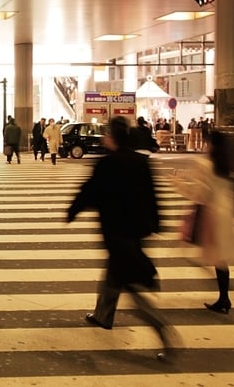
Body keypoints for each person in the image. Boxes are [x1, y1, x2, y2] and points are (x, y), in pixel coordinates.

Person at [67, 116, 178, 360]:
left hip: (117, 232)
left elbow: (90, 191)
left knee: (131, 286)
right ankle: (102, 316)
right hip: (136, 230)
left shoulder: (107, 163)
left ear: (112, 137)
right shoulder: (140, 161)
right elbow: (152, 195)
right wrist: (156, 223)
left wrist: (72, 211)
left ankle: (162, 329)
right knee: (113, 274)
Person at [174, 131, 234, 314]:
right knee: (220, 258)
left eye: (208, 143)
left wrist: (177, 182)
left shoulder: (206, 165)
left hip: (212, 215)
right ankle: (224, 298)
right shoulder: (228, 165)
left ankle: (224, 298)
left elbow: (200, 193)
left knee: (217, 257)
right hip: (227, 212)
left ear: (212, 145)